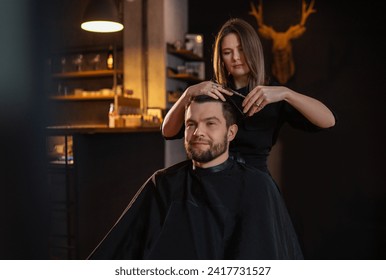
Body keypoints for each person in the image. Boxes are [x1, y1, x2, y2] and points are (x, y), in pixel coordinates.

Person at [88, 95, 303, 259]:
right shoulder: (163, 184)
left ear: (231, 133)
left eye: (210, 123)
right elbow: (118, 251)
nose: (198, 132)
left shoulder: (257, 186)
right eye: (191, 124)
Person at [162, 18, 336, 173]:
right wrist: (187, 93)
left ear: (253, 50)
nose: (236, 58)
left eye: (241, 49)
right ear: (221, 58)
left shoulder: (273, 94)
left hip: (256, 185)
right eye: (227, 52)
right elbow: (168, 132)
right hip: (213, 180)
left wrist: (287, 93)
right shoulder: (211, 92)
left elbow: (328, 120)